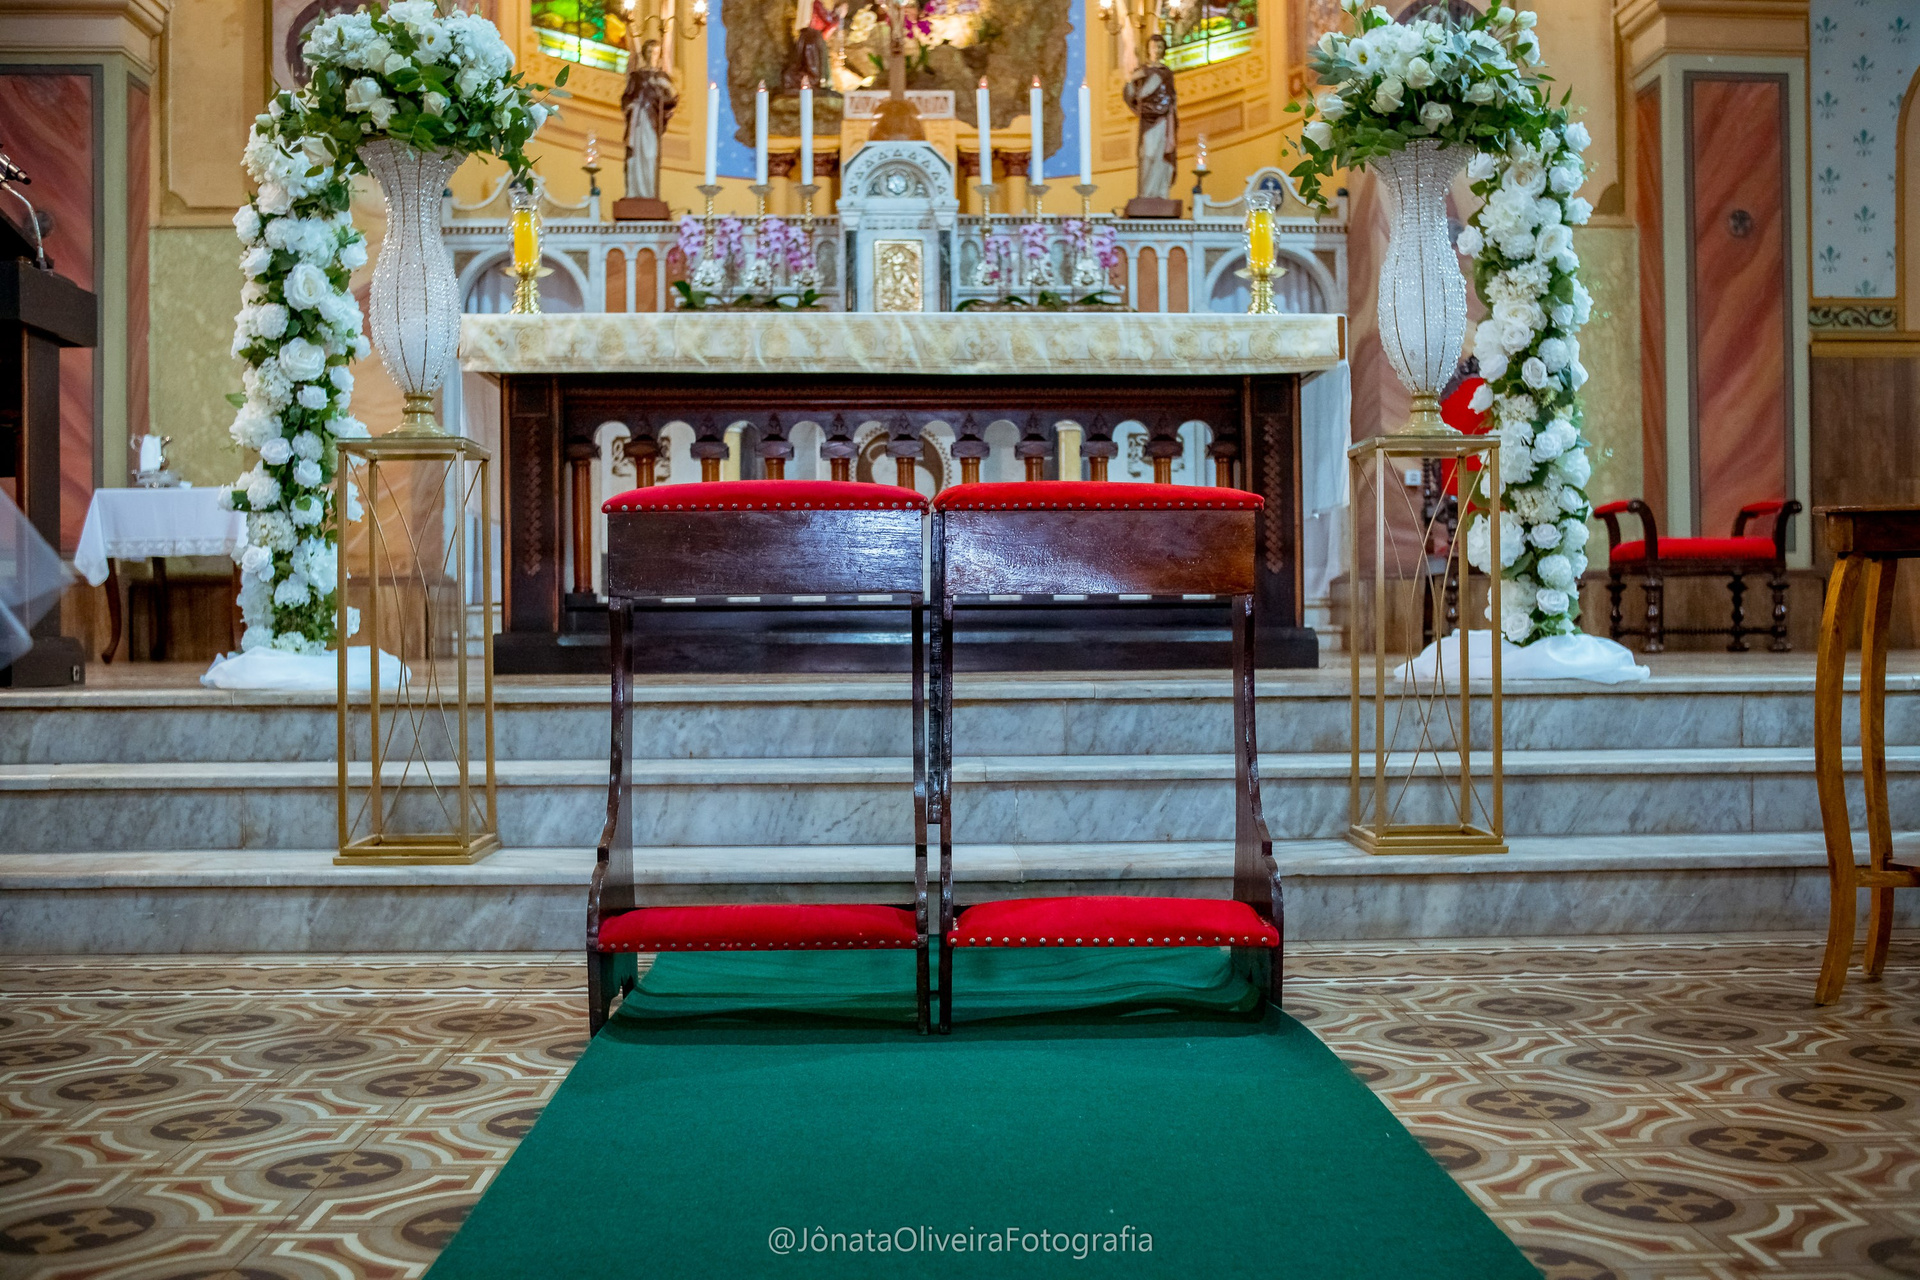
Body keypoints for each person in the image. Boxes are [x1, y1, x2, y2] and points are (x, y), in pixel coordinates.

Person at [1122, 34, 1178, 202]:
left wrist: (1171, 131)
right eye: (1153, 47)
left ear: (1164, 49)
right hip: (1147, 120)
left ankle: (1159, 193)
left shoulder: (1166, 73)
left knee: (1160, 156)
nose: (1156, 50)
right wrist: (1132, 81)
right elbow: (1130, 93)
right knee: (1146, 154)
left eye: (1160, 47)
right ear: (1148, 49)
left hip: (1162, 120)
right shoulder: (1141, 72)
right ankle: (1146, 193)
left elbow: (1172, 100)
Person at [622, 39, 679, 202]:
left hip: (651, 120)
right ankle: (633, 191)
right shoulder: (636, 76)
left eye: (655, 53)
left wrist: (665, 87)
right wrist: (630, 105)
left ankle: (649, 192)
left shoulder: (662, 77)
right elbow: (627, 97)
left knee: (649, 154)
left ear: (659, 55)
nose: (651, 56)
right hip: (637, 119)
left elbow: (671, 101)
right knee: (635, 154)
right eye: (649, 52)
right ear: (644, 54)